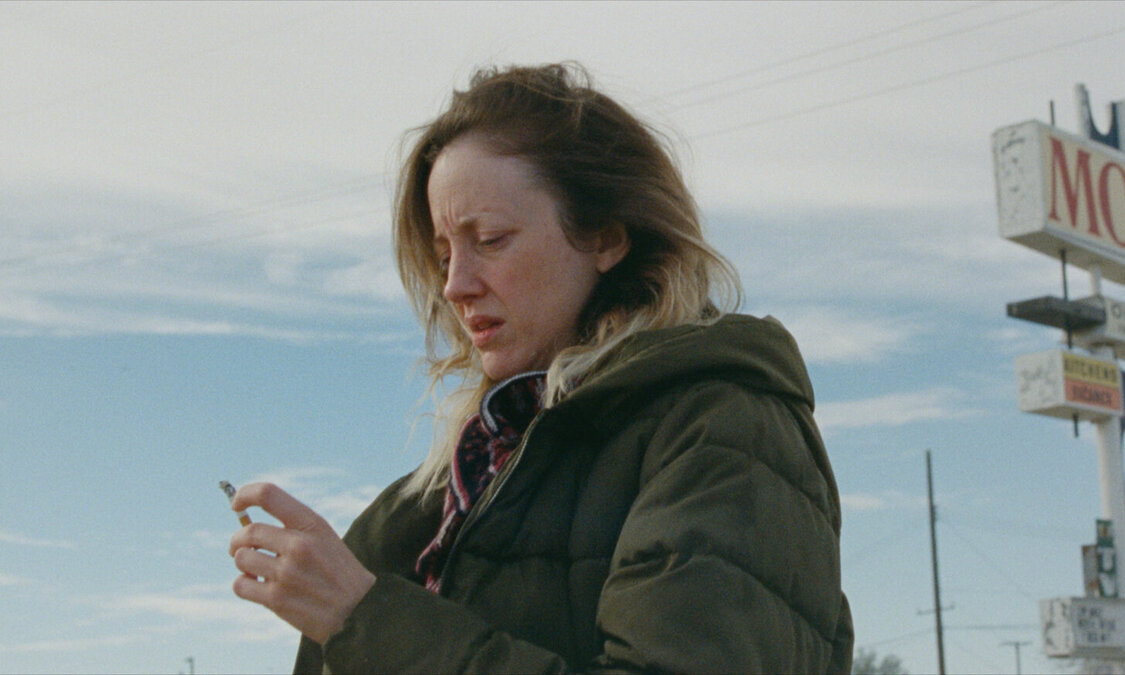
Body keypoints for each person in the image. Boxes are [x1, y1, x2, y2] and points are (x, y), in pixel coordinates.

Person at [228, 62, 854, 674]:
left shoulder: (722, 430)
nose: (455, 286)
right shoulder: (429, 505)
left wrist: (366, 621)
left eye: (490, 240)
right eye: (443, 256)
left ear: (606, 237)